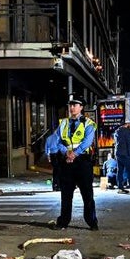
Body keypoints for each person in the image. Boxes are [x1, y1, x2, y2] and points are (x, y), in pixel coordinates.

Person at [52, 97, 99, 230]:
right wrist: (67, 153)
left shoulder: (89, 123)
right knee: (66, 194)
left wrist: (74, 154)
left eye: (75, 105)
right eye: (70, 105)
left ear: (81, 107)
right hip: (66, 161)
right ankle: (63, 222)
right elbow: (58, 141)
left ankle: (92, 222)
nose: (72, 107)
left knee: (87, 194)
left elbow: (87, 142)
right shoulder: (63, 122)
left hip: (82, 161)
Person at [113, 119, 130, 193]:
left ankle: (120, 188)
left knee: (120, 171)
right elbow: (129, 144)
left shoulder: (117, 131)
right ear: (127, 124)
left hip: (118, 153)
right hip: (126, 154)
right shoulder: (127, 131)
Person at [44, 125, 64, 192]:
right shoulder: (59, 138)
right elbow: (62, 147)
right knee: (60, 170)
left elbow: (46, 149)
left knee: (55, 170)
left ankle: (55, 185)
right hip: (59, 155)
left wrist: (48, 156)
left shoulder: (49, 138)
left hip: (52, 155)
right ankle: (59, 185)